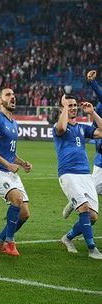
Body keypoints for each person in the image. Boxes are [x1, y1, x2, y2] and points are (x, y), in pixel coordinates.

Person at [0, 88, 31, 256]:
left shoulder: (13, 122)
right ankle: (9, 242)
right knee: (16, 199)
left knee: (25, 214)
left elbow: (9, 152)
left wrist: (22, 163)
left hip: (9, 171)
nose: (12, 97)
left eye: (13, 95)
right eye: (8, 95)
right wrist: (8, 165)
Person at [54, 94, 102, 259]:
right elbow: (61, 128)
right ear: (63, 108)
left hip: (85, 174)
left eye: (74, 105)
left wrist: (93, 113)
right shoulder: (59, 126)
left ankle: (67, 238)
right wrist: (65, 108)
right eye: (69, 105)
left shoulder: (82, 128)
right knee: (84, 209)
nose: (73, 107)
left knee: (93, 217)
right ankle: (92, 249)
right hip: (68, 173)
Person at [63, 70, 101, 218]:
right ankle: (75, 202)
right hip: (101, 158)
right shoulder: (99, 107)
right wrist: (92, 82)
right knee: (90, 191)